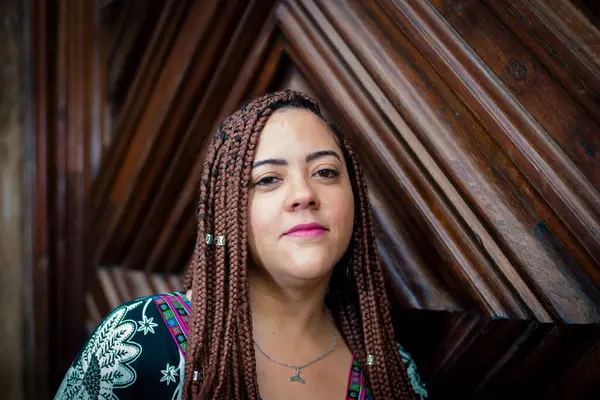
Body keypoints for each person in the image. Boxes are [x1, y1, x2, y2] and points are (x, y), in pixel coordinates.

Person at [54, 90, 428, 399]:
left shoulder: (393, 374)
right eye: (267, 179)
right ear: (227, 212)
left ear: (355, 200)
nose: (303, 194)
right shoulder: (136, 340)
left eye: (325, 172)